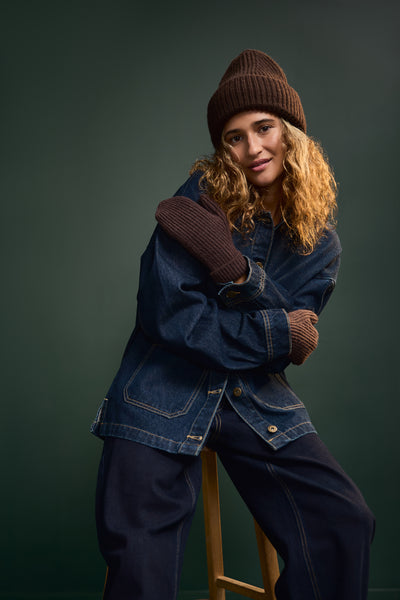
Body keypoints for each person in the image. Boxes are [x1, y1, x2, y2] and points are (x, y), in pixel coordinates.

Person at [91, 49, 375, 600]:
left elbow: (281, 348)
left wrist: (235, 272)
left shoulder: (321, 245)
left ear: (291, 132)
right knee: (140, 557)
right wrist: (274, 328)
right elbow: (169, 316)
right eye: (234, 137)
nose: (252, 149)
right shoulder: (199, 199)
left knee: (345, 524)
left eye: (264, 128)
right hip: (161, 388)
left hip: (254, 401)